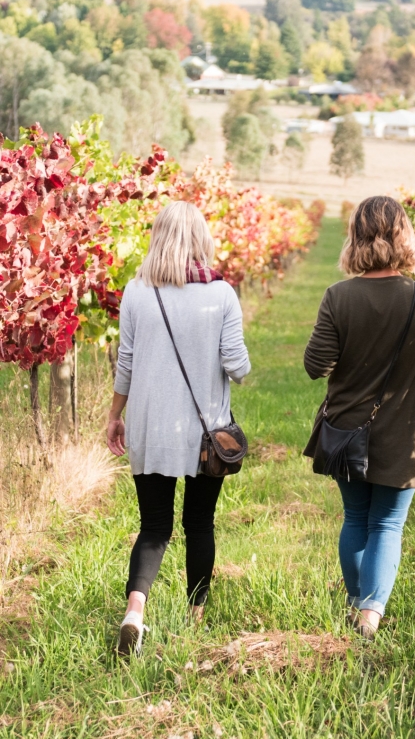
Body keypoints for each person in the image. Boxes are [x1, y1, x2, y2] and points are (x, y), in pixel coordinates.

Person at [106, 201, 250, 655]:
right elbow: (237, 366)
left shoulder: (136, 290)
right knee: (199, 522)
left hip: (150, 428)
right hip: (206, 433)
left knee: (153, 527)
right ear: (200, 240)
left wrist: (115, 415)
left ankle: (135, 611)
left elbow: (125, 362)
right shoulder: (221, 294)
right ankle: (196, 615)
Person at [303, 196, 415, 639]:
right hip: (406, 432)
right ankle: (371, 613)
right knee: (387, 522)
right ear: (404, 236)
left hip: (346, 426)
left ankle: (358, 603)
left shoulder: (338, 296)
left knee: (355, 518)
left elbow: (316, 364)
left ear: (356, 238)